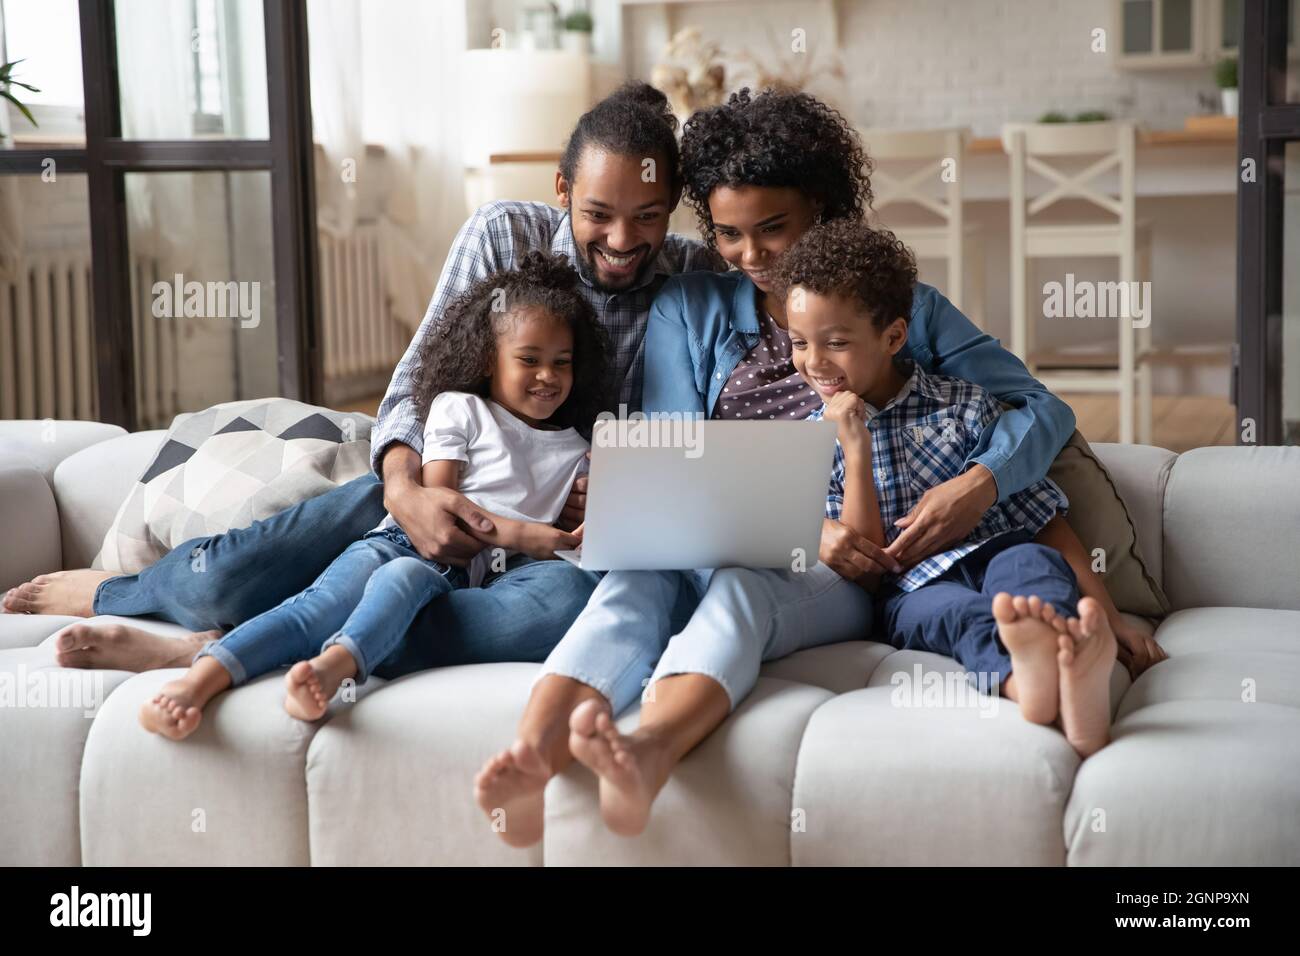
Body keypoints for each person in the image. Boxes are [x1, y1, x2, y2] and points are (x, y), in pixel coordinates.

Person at [473, 88, 1093, 848]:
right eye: (728, 234)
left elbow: (1039, 407)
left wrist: (981, 481)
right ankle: (533, 755)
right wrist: (793, 518)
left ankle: (647, 750)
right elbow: (674, 455)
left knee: (743, 588)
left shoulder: (902, 307)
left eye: (774, 228)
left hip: (833, 570)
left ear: (823, 209)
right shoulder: (688, 308)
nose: (753, 255)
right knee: (637, 581)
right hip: (718, 536)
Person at [4, 82, 723, 677]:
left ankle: (220, 649)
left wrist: (625, 482)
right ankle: (119, 592)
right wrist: (407, 492)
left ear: (675, 210)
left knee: (560, 613)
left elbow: (698, 435)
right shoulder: (505, 233)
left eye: (647, 218)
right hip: (445, 480)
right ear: (563, 189)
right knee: (223, 579)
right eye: (600, 214)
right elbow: (416, 384)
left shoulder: (694, 277)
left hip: (548, 534)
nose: (624, 241)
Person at [139, 253, 607, 740]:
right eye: (528, 360)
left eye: (562, 363)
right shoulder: (461, 410)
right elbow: (442, 501)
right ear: (490, 360)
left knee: (422, 587)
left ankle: (334, 666)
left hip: (467, 580)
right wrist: (528, 536)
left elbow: (577, 537)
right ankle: (193, 684)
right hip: (404, 543)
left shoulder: (575, 449)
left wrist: (583, 527)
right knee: (317, 607)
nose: (547, 376)